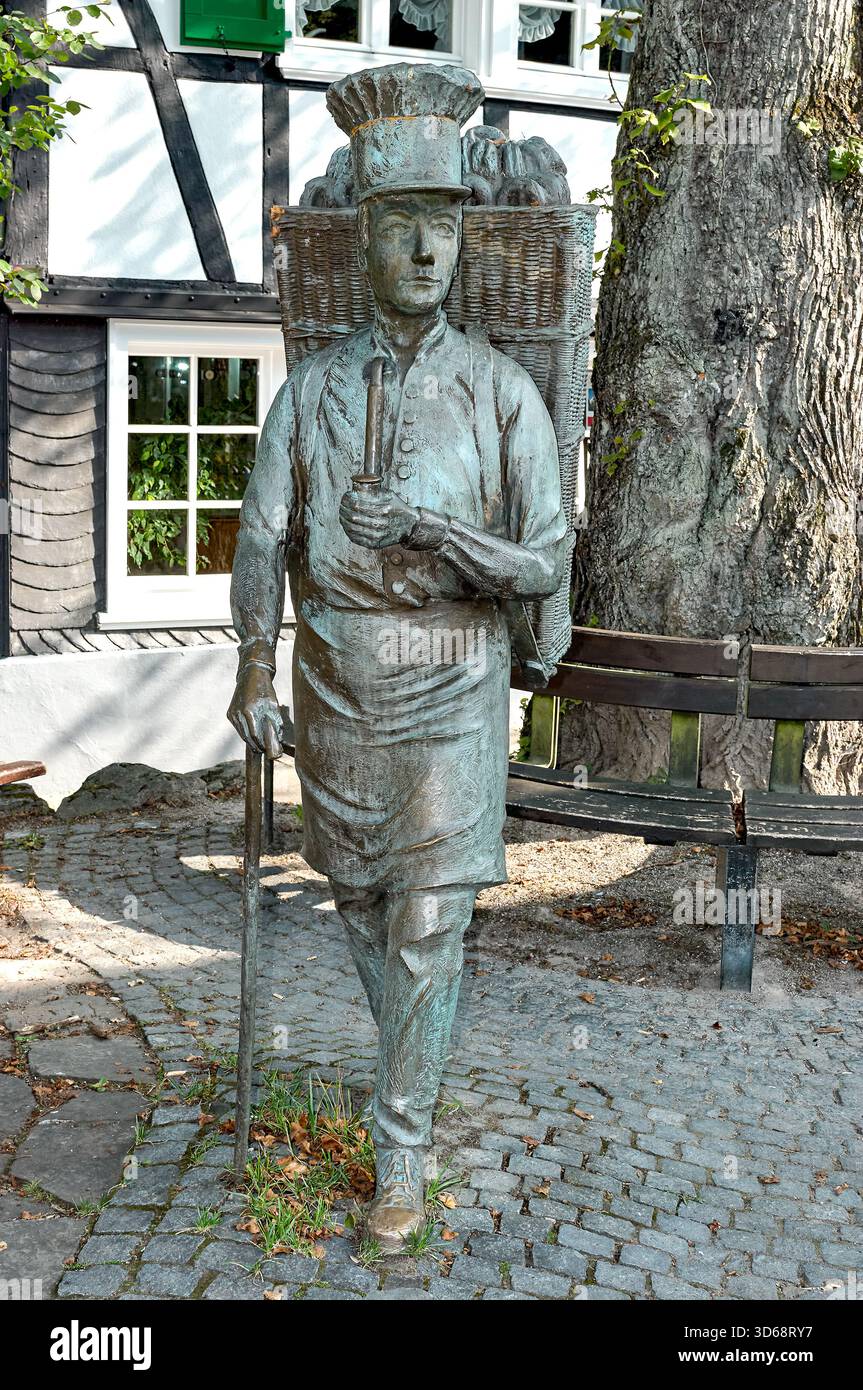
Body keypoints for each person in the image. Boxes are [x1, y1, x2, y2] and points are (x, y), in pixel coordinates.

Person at [228, 61, 567, 1250]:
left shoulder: (501, 395)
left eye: (442, 228)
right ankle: (406, 1069)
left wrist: (435, 530)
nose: (425, 251)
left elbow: (539, 563)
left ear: (463, 245)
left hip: (455, 684)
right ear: (364, 241)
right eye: (401, 228)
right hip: (334, 686)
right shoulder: (307, 393)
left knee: (429, 923)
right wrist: (254, 671)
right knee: (364, 906)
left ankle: (401, 1153)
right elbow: (263, 532)